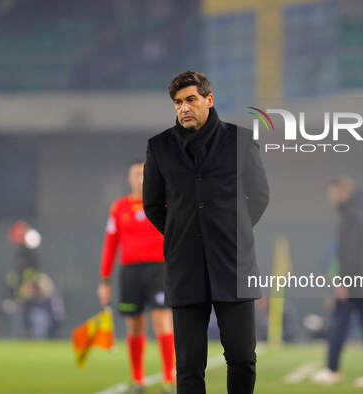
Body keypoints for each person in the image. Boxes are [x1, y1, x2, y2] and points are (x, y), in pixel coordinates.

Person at [143, 71, 269, 394]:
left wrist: (232, 230)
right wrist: (182, 233)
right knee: (188, 367)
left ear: (209, 101)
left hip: (234, 264)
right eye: (178, 103)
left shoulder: (240, 140)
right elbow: (153, 206)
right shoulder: (159, 148)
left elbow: (259, 196)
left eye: (191, 100)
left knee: (242, 358)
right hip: (185, 267)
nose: (184, 108)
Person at [97, 160, 175, 394]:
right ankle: (137, 379)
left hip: (159, 269)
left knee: (162, 319)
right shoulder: (118, 208)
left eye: (144, 174)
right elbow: (110, 244)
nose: (140, 179)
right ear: (129, 179)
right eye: (135, 175)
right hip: (130, 272)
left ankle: (169, 379)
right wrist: (105, 280)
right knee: (134, 324)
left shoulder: (164, 203)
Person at [311, 176, 363, 388]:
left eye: (332, 192)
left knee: (339, 326)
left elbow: (349, 253)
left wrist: (343, 282)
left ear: (342, 191)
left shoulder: (350, 216)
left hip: (355, 283)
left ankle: (332, 370)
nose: (330, 197)